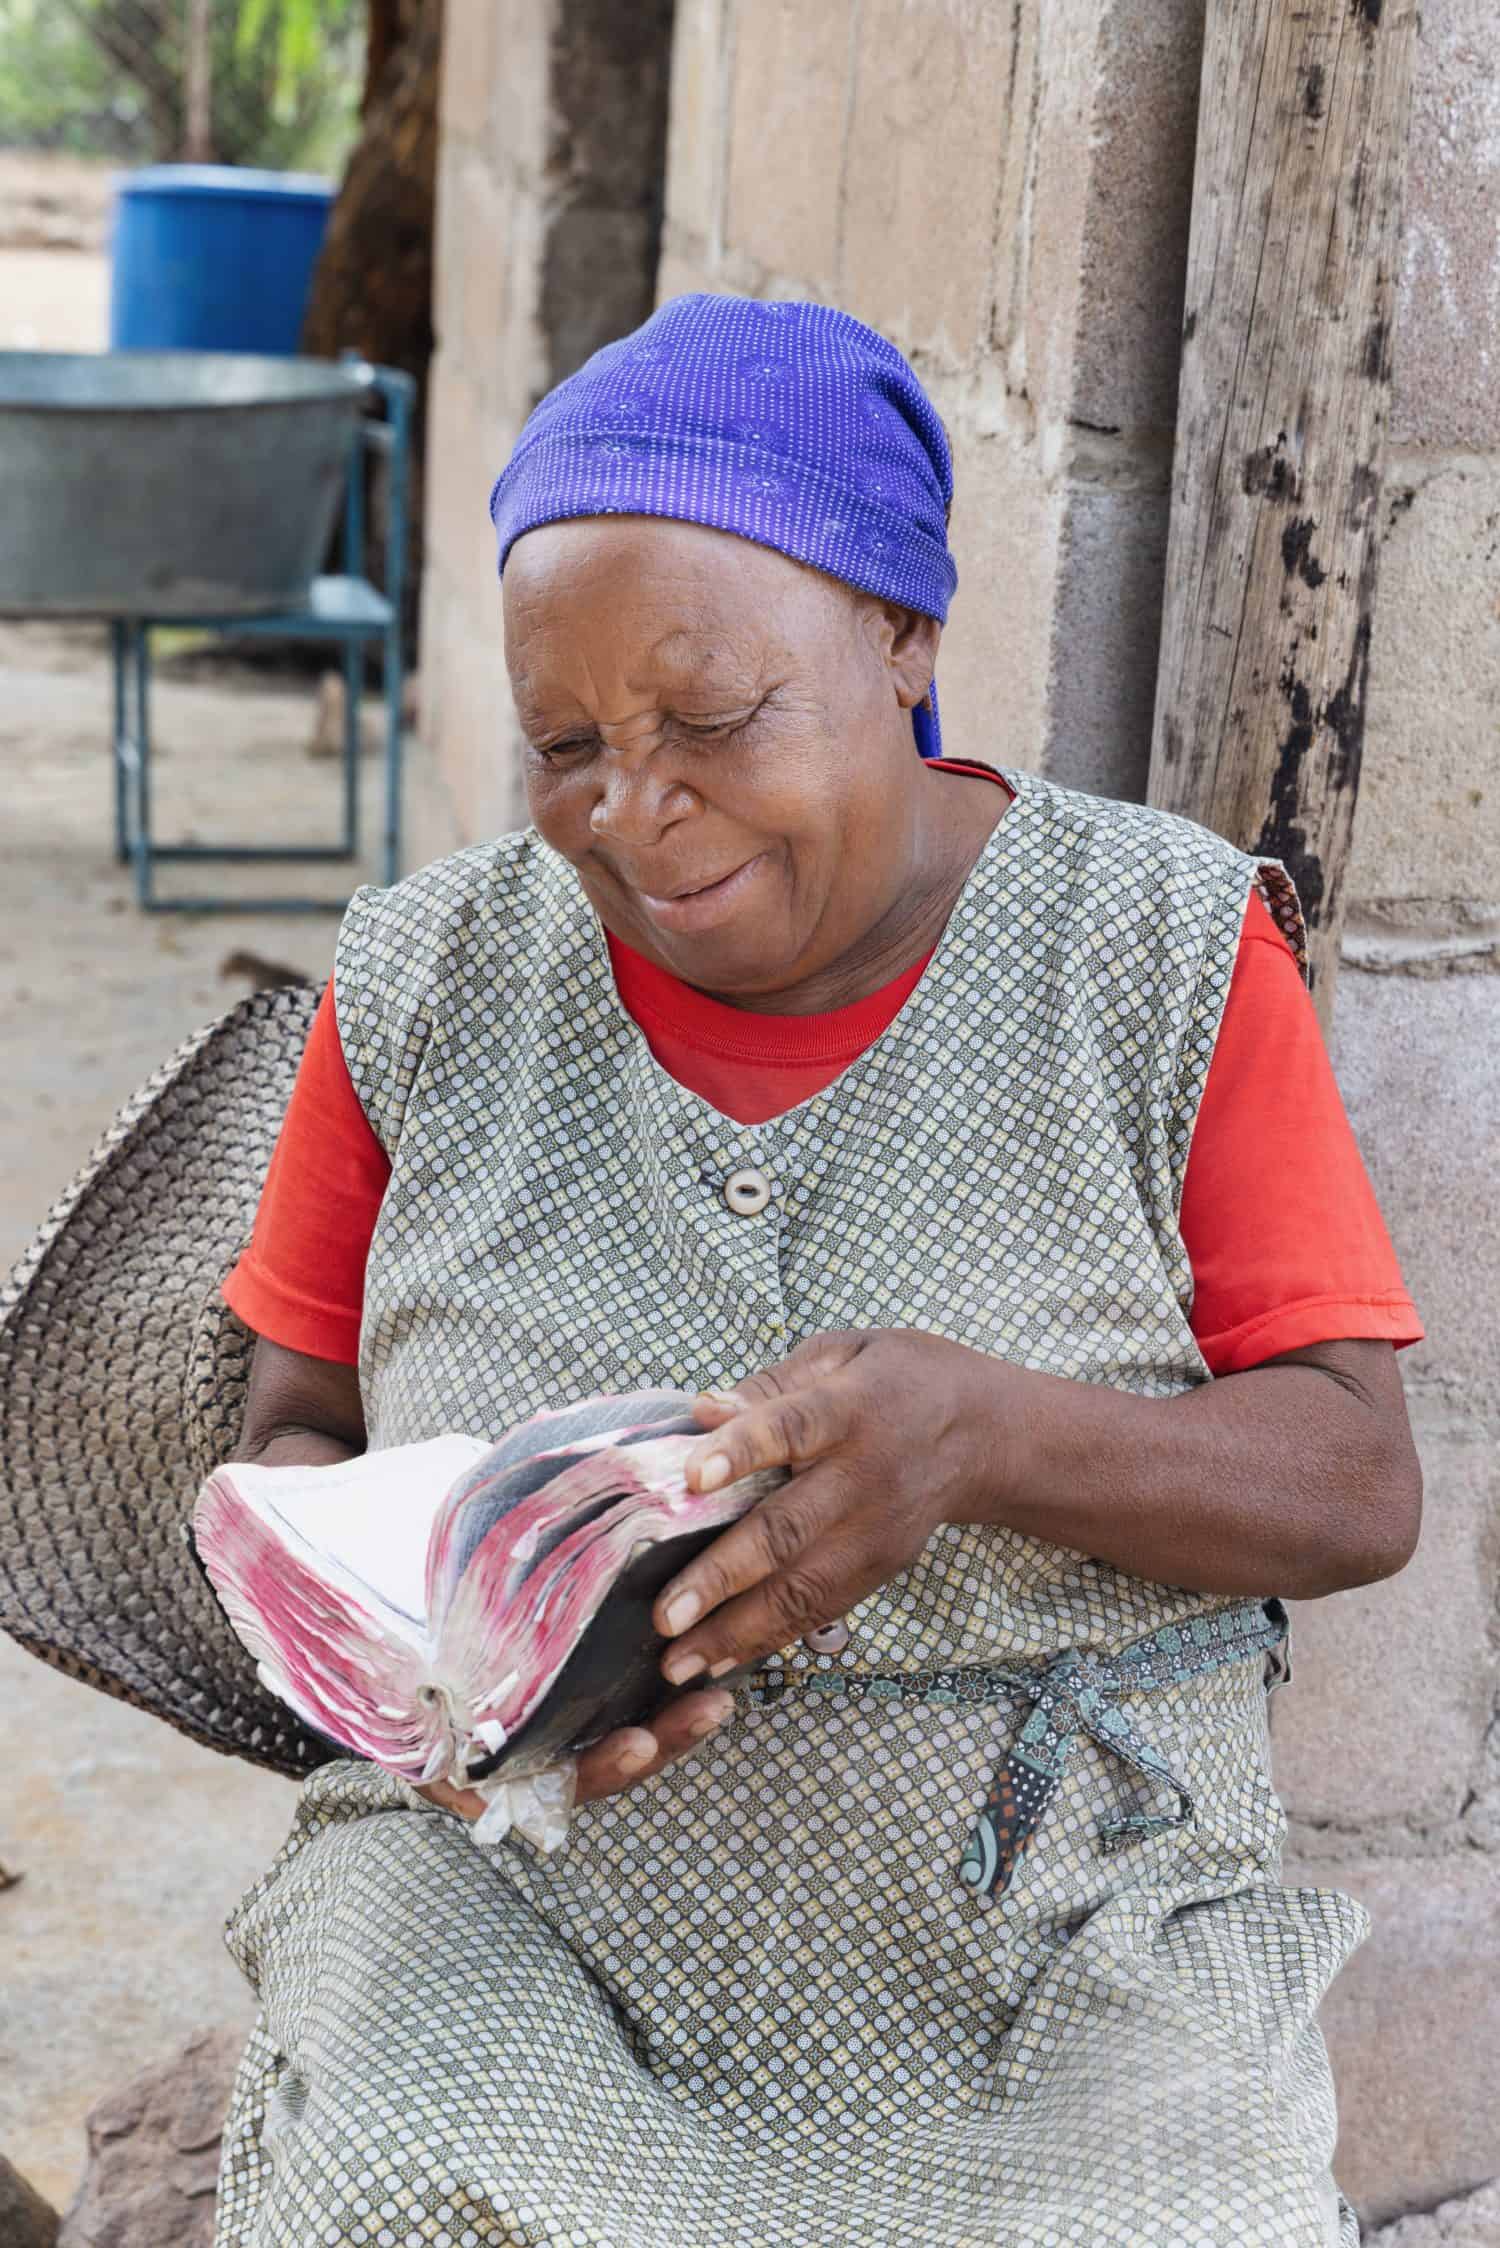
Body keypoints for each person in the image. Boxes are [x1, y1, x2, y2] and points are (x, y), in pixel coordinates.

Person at [214, 293, 1422, 2248]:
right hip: (529, 1917)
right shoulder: (427, 983)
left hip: (1058, 1944)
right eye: (565, 745)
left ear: (902, 633)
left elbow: (1357, 1479)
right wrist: (413, 1662)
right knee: (386, 2176)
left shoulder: (1160, 955)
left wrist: (989, 1437)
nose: (632, 805)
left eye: (710, 718)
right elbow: (290, 1420)